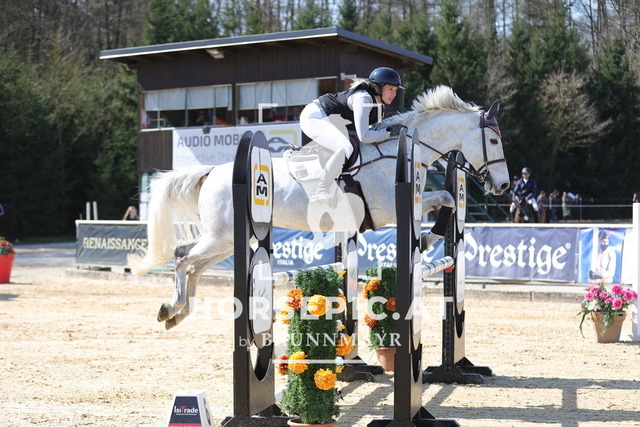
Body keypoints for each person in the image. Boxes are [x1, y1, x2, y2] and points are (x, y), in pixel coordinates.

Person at [299, 67, 405, 203]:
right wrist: (389, 132)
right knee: (346, 147)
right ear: (377, 88)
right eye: (390, 89)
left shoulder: (380, 105)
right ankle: (321, 189)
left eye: (395, 90)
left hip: (330, 120)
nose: (394, 94)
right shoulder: (363, 98)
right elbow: (364, 136)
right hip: (314, 117)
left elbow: (374, 131)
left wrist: (389, 132)